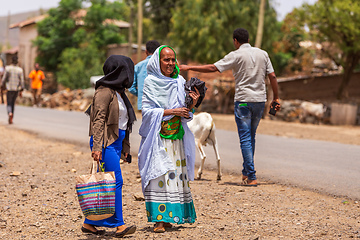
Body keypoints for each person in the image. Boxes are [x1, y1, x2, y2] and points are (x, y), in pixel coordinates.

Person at [180, 28, 281, 186]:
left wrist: (189, 68)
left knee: (245, 139)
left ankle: (252, 176)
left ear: (235, 41)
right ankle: (246, 172)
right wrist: (276, 97)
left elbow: (214, 68)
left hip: (243, 102)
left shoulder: (236, 55)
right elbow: (272, 76)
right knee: (251, 137)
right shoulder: (263, 54)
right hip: (260, 100)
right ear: (248, 39)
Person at [138, 46, 200, 233]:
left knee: (174, 176)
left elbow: (186, 112)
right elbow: (147, 112)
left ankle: (172, 216)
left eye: (173, 60)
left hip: (176, 140)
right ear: (158, 61)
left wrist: (192, 104)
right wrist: (172, 111)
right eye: (166, 60)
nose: (171, 64)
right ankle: (159, 220)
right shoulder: (150, 82)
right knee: (159, 175)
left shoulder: (179, 81)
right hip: (158, 138)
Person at [83, 55, 137, 237]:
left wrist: (125, 148)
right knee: (115, 182)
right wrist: (97, 147)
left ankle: (89, 224)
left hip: (115, 143)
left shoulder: (119, 92)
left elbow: (124, 122)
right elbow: (98, 120)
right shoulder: (104, 91)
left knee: (107, 183)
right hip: (105, 143)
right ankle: (119, 225)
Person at [129, 40, 160, 111]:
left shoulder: (138, 66)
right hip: (160, 105)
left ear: (146, 51)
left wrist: (141, 95)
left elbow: (131, 88)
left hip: (144, 104)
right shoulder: (163, 66)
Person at [1, 56, 25, 124]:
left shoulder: (8, 69)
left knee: (9, 102)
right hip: (16, 89)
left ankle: (9, 113)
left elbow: (4, 79)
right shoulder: (20, 70)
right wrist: (21, 90)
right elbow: (22, 81)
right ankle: (12, 116)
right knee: (13, 103)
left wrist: (2, 86)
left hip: (9, 88)